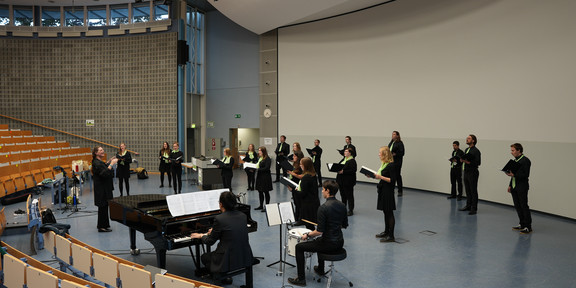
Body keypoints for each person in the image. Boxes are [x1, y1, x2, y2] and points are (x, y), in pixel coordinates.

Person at [287, 180, 348, 287]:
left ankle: (301, 279)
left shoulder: (323, 208)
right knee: (318, 241)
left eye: (323, 189)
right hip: (339, 242)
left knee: (299, 247)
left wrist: (307, 235)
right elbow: (344, 225)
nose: (322, 192)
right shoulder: (342, 205)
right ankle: (320, 269)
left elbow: (319, 231)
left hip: (328, 244)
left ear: (327, 191)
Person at [190, 191, 254, 286]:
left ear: (221, 204)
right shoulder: (243, 216)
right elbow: (231, 232)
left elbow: (210, 242)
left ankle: (220, 276)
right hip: (244, 254)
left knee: (204, 257)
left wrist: (201, 235)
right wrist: (216, 231)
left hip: (226, 258)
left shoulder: (219, 219)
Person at [371, 146, 397, 243]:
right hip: (382, 189)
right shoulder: (384, 164)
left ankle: (391, 236)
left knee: (389, 212)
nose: (378, 154)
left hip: (388, 191)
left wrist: (380, 176)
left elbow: (392, 180)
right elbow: (380, 176)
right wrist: (372, 176)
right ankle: (386, 232)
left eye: (380, 152)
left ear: (385, 154)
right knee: (385, 212)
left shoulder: (391, 165)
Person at [505, 143, 532, 234]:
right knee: (517, 206)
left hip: (522, 187)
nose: (511, 152)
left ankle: (528, 226)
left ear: (519, 150)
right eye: (511, 150)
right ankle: (522, 224)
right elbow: (513, 175)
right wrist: (509, 185)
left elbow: (525, 175)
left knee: (524, 206)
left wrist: (514, 175)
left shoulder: (525, 161)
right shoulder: (515, 160)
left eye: (513, 150)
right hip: (514, 186)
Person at [92, 146, 118, 232]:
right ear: (96, 153)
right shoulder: (96, 163)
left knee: (104, 207)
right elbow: (104, 173)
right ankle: (101, 227)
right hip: (101, 189)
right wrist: (111, 164)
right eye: (100, 150)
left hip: (104, 188)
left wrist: (108, 162)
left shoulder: (99, 162)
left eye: (102, 149)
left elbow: (102, 168)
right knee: (102, 207)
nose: (103, 151)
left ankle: (103, 225)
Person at [295, 157, 320, 231]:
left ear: (305, 166)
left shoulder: (306, 177)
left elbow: (303, 193)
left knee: (309, 225)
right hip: (314, 202)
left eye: (301, 164)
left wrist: (294, 190)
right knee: (311, 223)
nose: (300, 166)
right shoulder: (313, 175)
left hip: (307, 204)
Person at [459, 134, 481, 215]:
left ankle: (474, 208)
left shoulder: (476, 151)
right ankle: (468, 205)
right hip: (466, 171)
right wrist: (461, 160)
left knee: (473, 190)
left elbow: (478, 163)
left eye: (469, 138)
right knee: (468, 190)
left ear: (473, 140)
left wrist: (468, 162)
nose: (467, 139)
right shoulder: (466, 149)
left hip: (473, 172)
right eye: (467, 138)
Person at [336, 148, 357, 216]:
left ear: (350, 153)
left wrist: (343, 171)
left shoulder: (352, 161)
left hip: (348, 181)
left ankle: (351, 210)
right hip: (341, 181)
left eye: (346, 151)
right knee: (343, 195)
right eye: (344, 151)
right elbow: (339, 166)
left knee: (349, 196)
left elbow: (353, 170)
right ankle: (343, 207)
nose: (345, 152)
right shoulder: (343, 159)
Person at [287, 150, 304, 223]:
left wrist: (292, 173)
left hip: (298, 186)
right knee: (296, 202)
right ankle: (296, 217)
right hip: (293, 185)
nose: (293, 157)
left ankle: (300, 219)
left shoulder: (301, 166)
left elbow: (301, 177)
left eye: (294, 156)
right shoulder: (294, 164)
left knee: (299, 203)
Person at [255, 146, 273, 211]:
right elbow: (257, 165)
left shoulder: (267, 159)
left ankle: (267, 206)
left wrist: (258, 169)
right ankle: (261, 205)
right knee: (260, 191)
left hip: (265, 177)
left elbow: (267, 168)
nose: (259, 152)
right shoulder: (260, 158)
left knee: (266, 192)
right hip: (260, 176)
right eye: (259, 150)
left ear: (263, 151)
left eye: (260, 150)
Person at [388, 131, 405, 196]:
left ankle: (400, 191)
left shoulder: (400, 143)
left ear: (397, 136)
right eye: (392, 134)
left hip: (397, 162)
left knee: (397, 176)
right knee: (391, 176)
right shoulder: (391, 142)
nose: (393, 135)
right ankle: (391, 189)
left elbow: (402, 153)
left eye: (394, 134)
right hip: (391, 161)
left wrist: (395, 154)